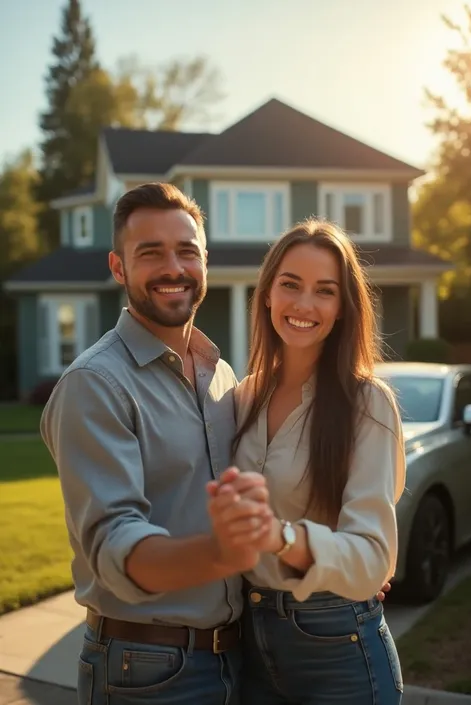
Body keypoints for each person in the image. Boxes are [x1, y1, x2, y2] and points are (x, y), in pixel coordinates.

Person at [40, 183, 391, 705]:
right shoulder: (96, 383)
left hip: (247, 653)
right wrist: (242, 551)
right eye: (150, 253)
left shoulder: (223, 380)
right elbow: (114, 543)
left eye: (186, 251)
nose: (173, 268)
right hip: (147, 664)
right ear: (118, 267)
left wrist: (340, 570)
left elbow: (354, 542)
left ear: (206, 261)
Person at [207, 218, 406, 705]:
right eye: (290, 284)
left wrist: (282, 538)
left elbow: (372, 557)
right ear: (268, 293)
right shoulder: (242, 396)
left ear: (342, 309)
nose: (303, 304)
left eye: (325, 291)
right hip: (248, 643)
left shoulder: (367, 404)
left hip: (337, 645)